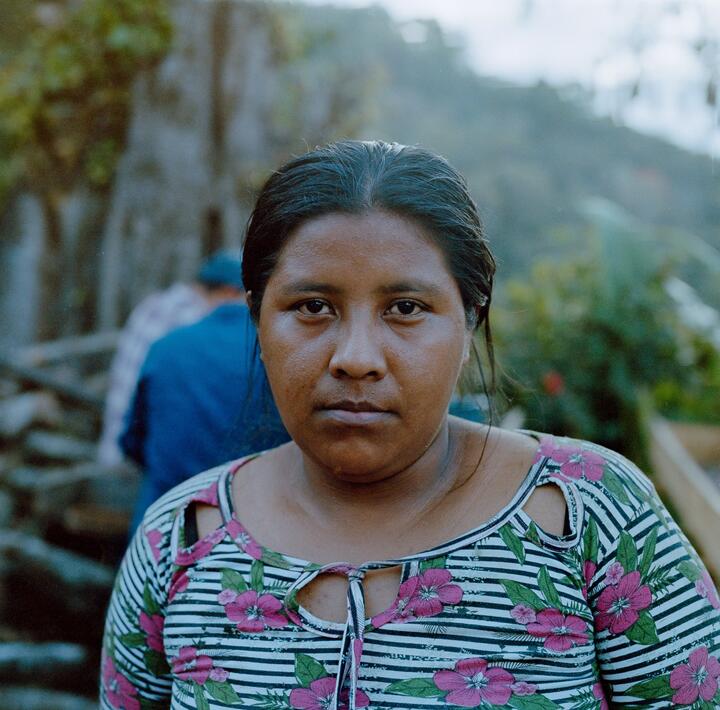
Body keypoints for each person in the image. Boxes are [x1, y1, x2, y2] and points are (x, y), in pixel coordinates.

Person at [101, 141, 720, 709]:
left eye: (406, 308)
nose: (357, 358)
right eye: (313, 307)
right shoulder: (178, 541)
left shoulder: (586, 514)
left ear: (470, 321)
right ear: (259, 321)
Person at [120, 275, 290, 533]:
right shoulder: (278, 351)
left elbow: (132, 439)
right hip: (255, 526)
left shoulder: (167, 346)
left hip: (166, 522)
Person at [97, 252, 246, 467]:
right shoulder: (189, 317)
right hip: (150, 456)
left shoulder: (157, 303)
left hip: (120, 444)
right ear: (229, 292)